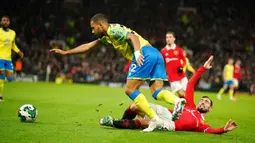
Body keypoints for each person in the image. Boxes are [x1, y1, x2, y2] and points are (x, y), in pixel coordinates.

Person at [50, 13, 186, 132]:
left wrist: (138, 53)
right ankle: (177, 101)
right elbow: (89, 46)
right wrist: (66, 52)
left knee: (129, 89)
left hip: (144, 53)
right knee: (156, 92)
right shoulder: (107, 36)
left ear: (101, 25)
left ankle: (154, 119)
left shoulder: (113, 30)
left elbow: (133, 37)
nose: (92, 31)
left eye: (93, 28)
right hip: (156, 54)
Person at [100, 56, 238, 134]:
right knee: (135, 107)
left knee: (145, 122)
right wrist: (202, 68)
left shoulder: (200, 123)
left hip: (171, 124)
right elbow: (190, 84)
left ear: (210, 109)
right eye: (202, 100)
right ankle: (122, 121)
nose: (203, 102)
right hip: (166, 112)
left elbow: (211, 130)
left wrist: (223, 130)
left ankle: (113, 123)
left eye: (206, 102)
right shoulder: (190, 104)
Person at [0, 15, 24, 102]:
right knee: (2, 76)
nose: (5, 22)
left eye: (7, 20)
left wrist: (18, 51)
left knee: (10, 79)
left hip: (8, 58)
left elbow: (13, 45)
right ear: (1, 22)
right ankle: (0, 96)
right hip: (0, 58)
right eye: (3, 20)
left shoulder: (12, 33)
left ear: (9, 22)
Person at [160, 31, 187, 98]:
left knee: (184, 95)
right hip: (172, 77)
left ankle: (180, 107)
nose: (168, 39)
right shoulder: (163, 51)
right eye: (167, 37)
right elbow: (161, 64)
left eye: (170, 37)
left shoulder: (179, 50)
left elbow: (184, 60)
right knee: (181, 93)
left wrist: (182, 67)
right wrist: (164, 73)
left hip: (182, 76)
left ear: (174, 39)